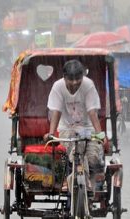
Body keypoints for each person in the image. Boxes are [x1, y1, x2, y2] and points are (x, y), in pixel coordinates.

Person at [43, 59, 104, 191]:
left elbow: (92, 111)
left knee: (93, 157)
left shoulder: (88, 85)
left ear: (83, 76)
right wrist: (52, 134)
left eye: (78, 79)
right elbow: (56, 111)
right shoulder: (58, 87)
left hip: (88, 128)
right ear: (64, 77)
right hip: (67, 128)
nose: (75, 82)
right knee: (75, 151)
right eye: (71, 79)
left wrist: (100, 135)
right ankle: (72, 179)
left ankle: (87, 182)